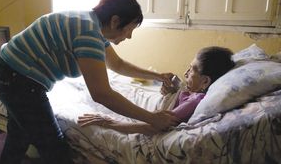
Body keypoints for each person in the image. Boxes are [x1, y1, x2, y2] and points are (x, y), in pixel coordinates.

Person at [0, 0, 177, 164]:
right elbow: (102, 94)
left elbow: (117, 65)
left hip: (8, 72)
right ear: (115, 21)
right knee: (55, 149)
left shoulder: (90, 24)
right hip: (18, 80)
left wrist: (158, 76)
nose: (129, 36)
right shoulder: (89, 33)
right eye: (129, 29)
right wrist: (152, 118)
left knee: (19, 136)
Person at [78, 46, 236, 135]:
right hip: (154, 102)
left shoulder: (195, 101)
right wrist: (172, 91)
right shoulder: (193, 93)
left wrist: (108, 122)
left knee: (97, 93)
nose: (186, 73)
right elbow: (179, 98)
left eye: (192, 70)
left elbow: (153, 125)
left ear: (206, 81)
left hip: (147, 109)